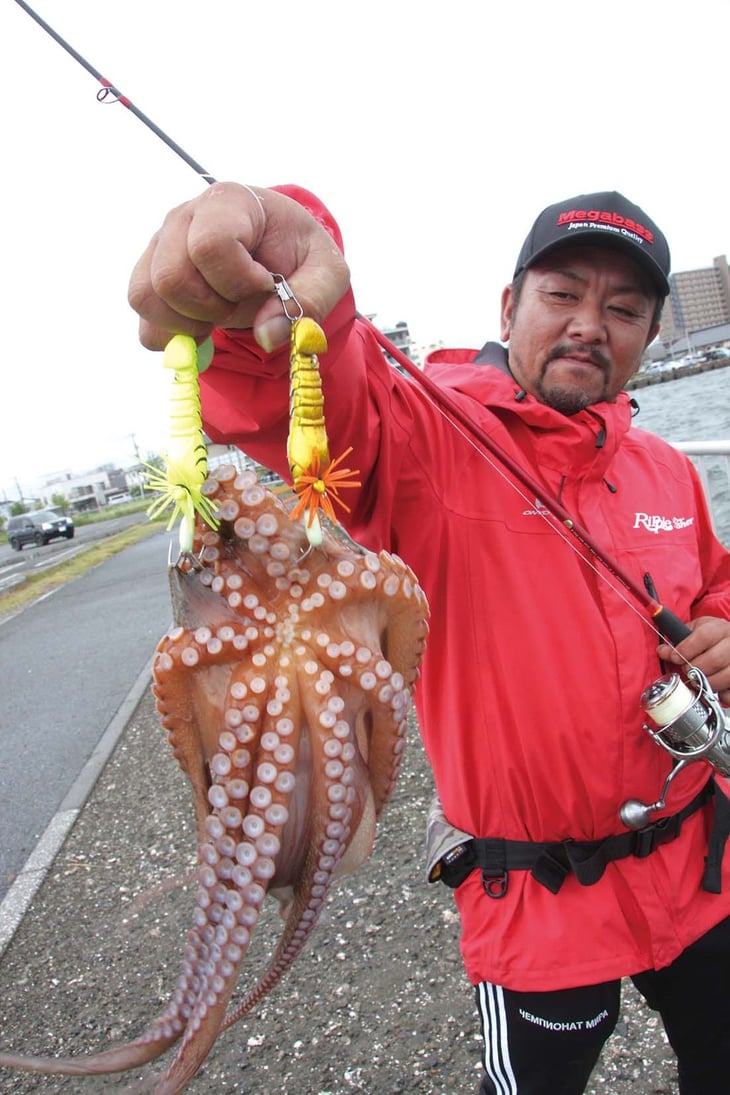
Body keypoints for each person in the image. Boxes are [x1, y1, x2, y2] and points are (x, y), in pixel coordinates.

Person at [129, 183, 730, 1094]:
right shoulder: (434, 434)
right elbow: (325, 402)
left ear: (649, 334)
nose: (588, 325)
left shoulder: (669, 468)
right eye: (562, 294)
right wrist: (286, 275)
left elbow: (716, 585)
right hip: (539, 903)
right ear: (509, 307)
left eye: (623, 308)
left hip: (703, 868)